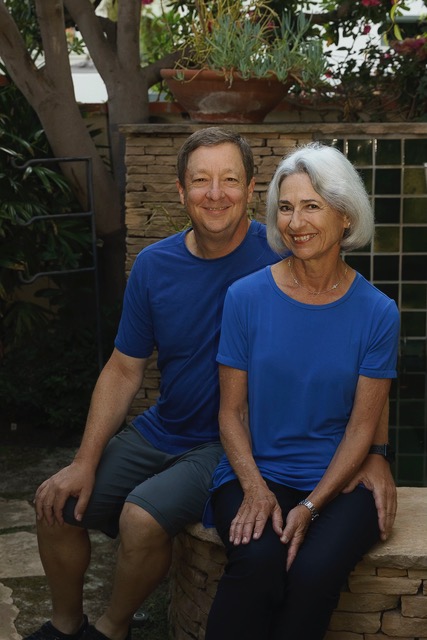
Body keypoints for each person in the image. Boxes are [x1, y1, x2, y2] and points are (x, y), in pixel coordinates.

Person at [26, 130, 396, 640]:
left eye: (229, 180)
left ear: (249, 191)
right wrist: (84, 461)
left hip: (225, 444)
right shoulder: (157, 265)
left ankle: (111, 630)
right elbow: (123, 368)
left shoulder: (290, 253)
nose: (215, 193)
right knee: (56, 505)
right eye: (201, 181)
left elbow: (361, 357)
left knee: (141, 518)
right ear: (180, 191)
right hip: (167, 428)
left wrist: (376, 450)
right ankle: (66, 626)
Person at [205, 142, 400, 640]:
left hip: (340, 479)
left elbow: (362, 427)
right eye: (286, 208)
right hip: (255, 469)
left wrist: (312, 506)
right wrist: (254, 488)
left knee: (313, 574)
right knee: (258, 563)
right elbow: (231, 413)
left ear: (346, 218)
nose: (295, 222)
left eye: (312, 206)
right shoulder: (245, 298)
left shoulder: (378, 313)